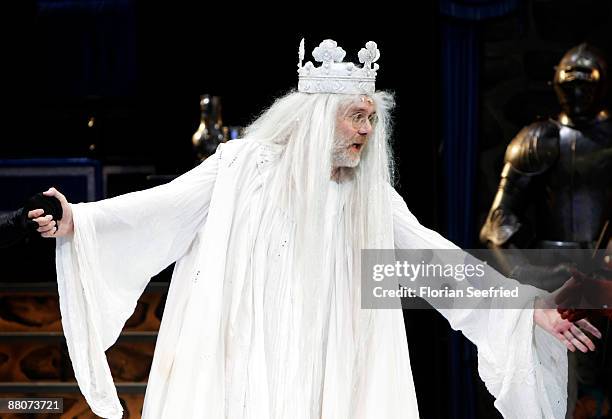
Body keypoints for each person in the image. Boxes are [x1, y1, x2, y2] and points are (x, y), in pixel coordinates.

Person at [33, 39, 598, 419]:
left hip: (331, 377)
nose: (366, 131)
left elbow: (437, 267)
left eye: (373, 119)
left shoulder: (368, 200)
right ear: (315, 114)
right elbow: (163, 209)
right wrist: (79, 220)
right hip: (248, 374)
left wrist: (527, 307)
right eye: (356, 115)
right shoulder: (242, 172)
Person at [480, 43, 612, 417]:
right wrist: (531, 279)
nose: (578, 93)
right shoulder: (539, 139)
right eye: (570, 85)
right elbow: (498, 224)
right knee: (559, 393)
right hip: (556, 283)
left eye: (586, 84)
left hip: (608, 280)